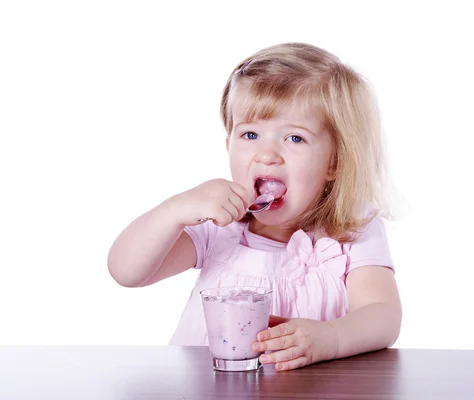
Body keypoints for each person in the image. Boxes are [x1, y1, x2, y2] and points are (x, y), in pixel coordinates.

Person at [108, 42, 402, 371]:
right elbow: (126, 272)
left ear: (334, 162)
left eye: (295, 138)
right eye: (250, 135)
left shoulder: (351, 226)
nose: (266, 154)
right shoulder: (218, 225)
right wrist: (173, 211)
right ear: (228, 145)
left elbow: (383, 315)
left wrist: (330, 337)